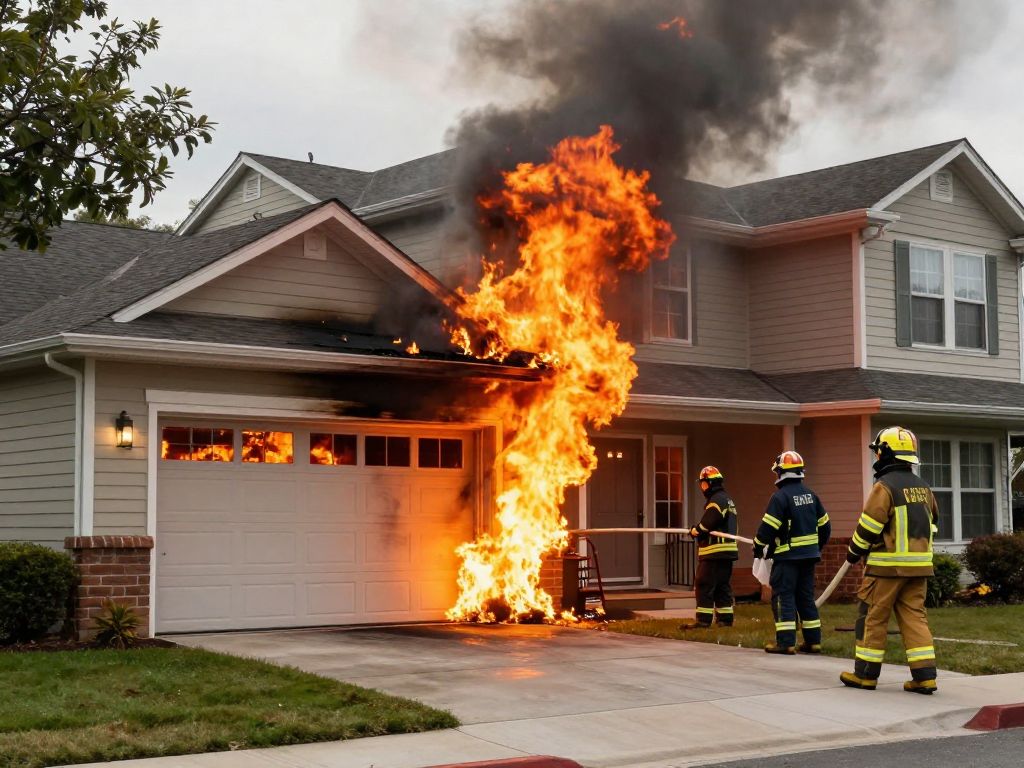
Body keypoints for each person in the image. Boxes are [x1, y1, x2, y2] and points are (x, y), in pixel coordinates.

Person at [840, 426, 939, 694]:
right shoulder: (924, 488)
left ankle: (865, 675)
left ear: (886, 453)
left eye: (878, 452)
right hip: (919, 568)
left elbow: (869, 526)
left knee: (873, 616)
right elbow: (934, 520)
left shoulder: (884, 487)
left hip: (886, 569)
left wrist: (853, 551)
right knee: (915, 618)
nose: (876, 457)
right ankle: (925, 676)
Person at [754, 450, 831, 654]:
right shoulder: (811, 496)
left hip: (787, 558)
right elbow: (825, 527)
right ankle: (813, 641)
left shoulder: (780, 498)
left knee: (783, 596)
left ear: (780, 473)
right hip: (809, 557)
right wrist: (816, 547)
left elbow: (768, 528)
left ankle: (786, 642)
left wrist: (758, 545)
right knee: (805, 597)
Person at [688, 466, 738, 627]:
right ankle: (725, 620)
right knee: (721, 586)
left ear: (709, 483)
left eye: (702, 483)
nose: (702, 487)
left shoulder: (716, 501)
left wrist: (695, 531)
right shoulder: (727, 499)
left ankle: (703, 621)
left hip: (714, 552)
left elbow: (708, 523)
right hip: (726, 552)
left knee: (704, 584)